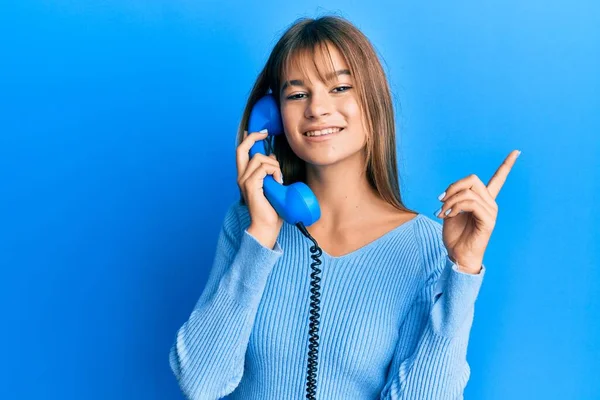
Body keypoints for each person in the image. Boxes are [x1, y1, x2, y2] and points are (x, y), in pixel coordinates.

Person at [169, 15, 519, 400]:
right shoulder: (247, 226)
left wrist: (463, 273)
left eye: (339, 87)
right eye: (297, 94)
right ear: (273, 116)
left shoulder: (426, 247)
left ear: (371, 101)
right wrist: (262, 237)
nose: (317, 108)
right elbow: (200, 384)